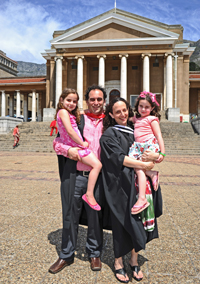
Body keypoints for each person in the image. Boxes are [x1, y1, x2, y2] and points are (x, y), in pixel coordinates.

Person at [100, 97, 162, 283]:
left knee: (140, 221)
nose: (122, 114)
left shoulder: (135, 131)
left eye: (125, 110)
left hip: (140, 185)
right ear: (111, 114)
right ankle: (118, 262)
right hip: (121, 186)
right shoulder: (109, 134)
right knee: (121, 223)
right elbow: (120, 159)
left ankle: (134, 260)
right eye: (117, 111)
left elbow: (153, 147)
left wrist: (156, 157)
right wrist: (147, 165)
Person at [49, 85, 108, 274]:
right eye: (92, 99)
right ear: (87, 101)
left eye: (99, 99)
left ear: (104, 101)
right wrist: (70, 150)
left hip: (97, 177)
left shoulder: (109, 121)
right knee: (69, 215)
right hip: (75, 175)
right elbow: (57, 142)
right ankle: (66, 255)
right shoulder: (78, 118)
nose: (96, 103)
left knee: (95, 217)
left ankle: (94, 253)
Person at [53, 88, 102, 210]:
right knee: (97, 165)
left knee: (96, 165)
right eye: (68, 100)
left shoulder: (69, 113)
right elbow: (69, 131)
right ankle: (89, 194)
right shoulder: (63, 112)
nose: (71, 103)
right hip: (77, 147)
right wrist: (82, 143)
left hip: (76, 146)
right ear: (61, 100)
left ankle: (89, 194)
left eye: (74, 101)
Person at [128, 91, 165, 215]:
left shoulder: (152, 119)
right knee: (134, 166)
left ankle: (142, 198)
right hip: (138, 147)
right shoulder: (136, 118)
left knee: (138, 169)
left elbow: (159, 136)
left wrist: (162, 153)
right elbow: (124, 118)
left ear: (152, 108)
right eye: (141, 106)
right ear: (137, 106)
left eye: (147, 107)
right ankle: (152, 173)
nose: (143, 109)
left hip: (148, 146)